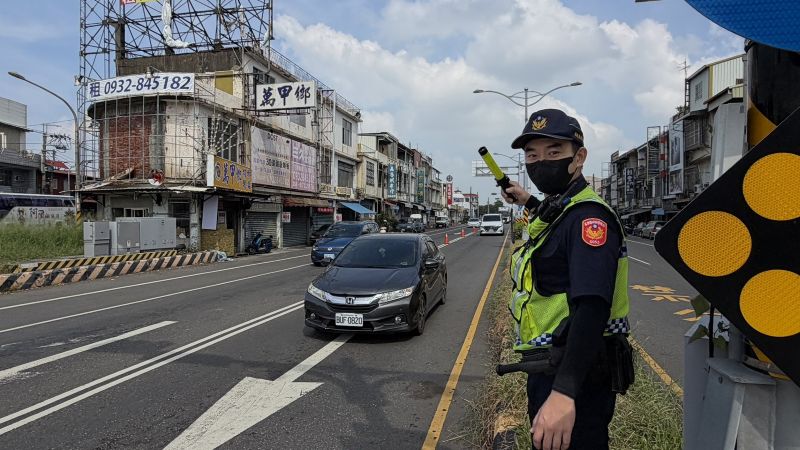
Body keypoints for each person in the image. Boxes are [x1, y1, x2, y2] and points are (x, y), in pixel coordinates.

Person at [500, 109, 633, 450]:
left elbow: (592, 307)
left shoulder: (589, 218)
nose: (541, 162)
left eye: (554, 152)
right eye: (532, 155)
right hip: (553, 367)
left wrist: (563, 392)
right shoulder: (565, 208)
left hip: (576, 376)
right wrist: (527, 199)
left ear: (580, 157)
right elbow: (552, 216)